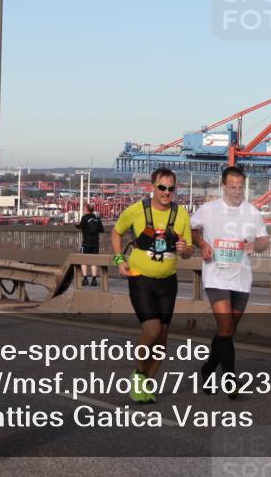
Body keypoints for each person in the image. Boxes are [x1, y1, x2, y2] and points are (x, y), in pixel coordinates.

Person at [111, 168, 193, 403]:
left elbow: (188, 252)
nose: (167, 193)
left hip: (168, 281)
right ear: (152, 187)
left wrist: (184, 249)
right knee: (152, 331)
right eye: (162, 188)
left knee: (163, 336)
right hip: (141, 279)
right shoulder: (137, 210)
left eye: (171, 189)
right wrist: (119, 259)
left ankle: (146, 384)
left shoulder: (181, 214)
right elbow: (116, 233)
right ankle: (138, 375)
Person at [191, 166, 268, 398]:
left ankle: (207, 369)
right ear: (224, 186)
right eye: (232, 187)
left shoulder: (252, 212)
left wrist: (256, 246)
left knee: (228, 331)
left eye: (240, 187)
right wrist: (202, 245)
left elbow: (264, 240)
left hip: (242, 277)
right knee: (225, 326)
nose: (236, 192)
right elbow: (192, 230)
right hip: (216, 275)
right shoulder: (209, 209)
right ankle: (230, 379)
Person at [76, 204, 104, 286]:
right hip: (95, 243)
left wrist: (76, 225)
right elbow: (102, 230)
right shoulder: (97, 218)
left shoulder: (84, 218)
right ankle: (94, 279)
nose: (84, 209)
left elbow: (80, 227)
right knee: (93, 261)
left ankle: (85, 279)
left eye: (84, 208)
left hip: (86, 243)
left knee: (83, 261)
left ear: (87, 209)